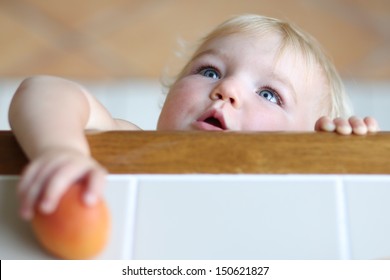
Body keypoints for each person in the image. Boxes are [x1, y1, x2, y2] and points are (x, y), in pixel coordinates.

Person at [8, 14, 379, 220]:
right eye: (209, 71)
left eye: (268, 94)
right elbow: (44, 90)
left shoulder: (299, 195)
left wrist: (339, 155)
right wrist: (60, 149)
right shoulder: (131, 146)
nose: (227, 88)